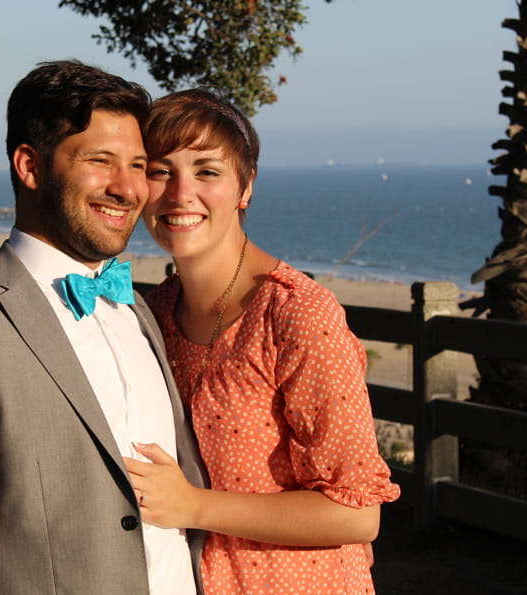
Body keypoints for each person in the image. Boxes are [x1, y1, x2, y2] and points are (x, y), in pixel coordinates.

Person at [0, 61, 207, 594]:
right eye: (100, 161)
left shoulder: (137, 307)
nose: (128, 189)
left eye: (137, 165)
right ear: (30, 166)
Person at [124, 89, 400, 594]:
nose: (181, 192)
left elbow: (358, 515)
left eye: (208, 171)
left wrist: (191, 505)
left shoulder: (297, 315)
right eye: (161, 171)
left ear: (245, 186)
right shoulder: (152, 313)